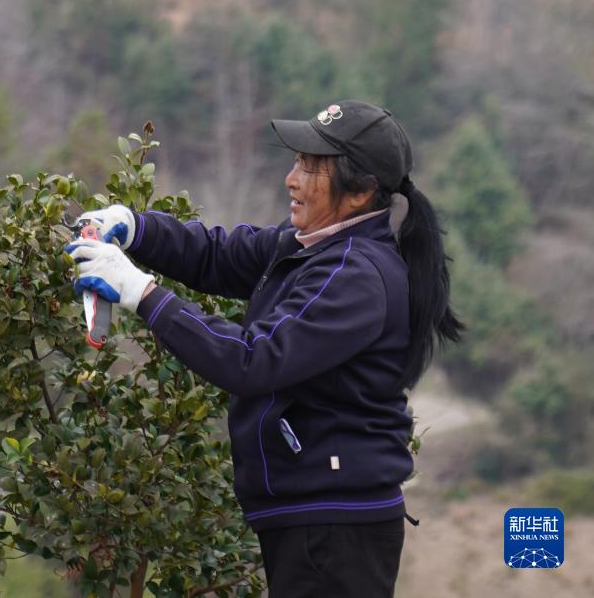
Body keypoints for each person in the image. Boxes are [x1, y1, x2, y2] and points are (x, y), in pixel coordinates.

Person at [68, 99, 465, 598]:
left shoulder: (354, 275)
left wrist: (140, 292)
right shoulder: (308, 244)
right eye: (297, 161)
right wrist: (135, 227)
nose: (291, 180)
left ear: (361, 192)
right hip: (314, 517)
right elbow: (217, 255)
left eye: (311, 168)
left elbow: (252, 360)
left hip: (335, 527)